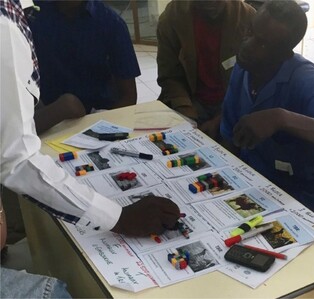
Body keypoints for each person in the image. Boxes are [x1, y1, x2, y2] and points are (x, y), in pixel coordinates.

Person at [1, 0, 180, 296]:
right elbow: (17, 160)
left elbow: (127, 96)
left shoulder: (109, 24)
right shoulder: (13, 25)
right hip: (48, 135)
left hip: (94, 131)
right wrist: (117, 217)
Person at [220, 0, 314, 212]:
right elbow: (229, 134)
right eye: (250, 31)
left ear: (284, 53)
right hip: (249, 178)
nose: (247, 44)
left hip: (294, 192)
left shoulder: (304, 78)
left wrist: (280, 119)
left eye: (262, 43)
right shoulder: (245, 66)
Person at [28, 0, 141, 134]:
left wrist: (101, 130)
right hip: (44, 121)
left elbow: (128, 96)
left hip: (97, 123)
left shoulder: (111, 23)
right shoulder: (31, 16)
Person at [156, 0, 256, 140]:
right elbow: (169, 76)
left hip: (232, 104)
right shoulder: (172, 17)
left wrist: (222, 117)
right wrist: (186, 112)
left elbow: (255, 81)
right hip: (190, 100)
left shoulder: (247, 17)